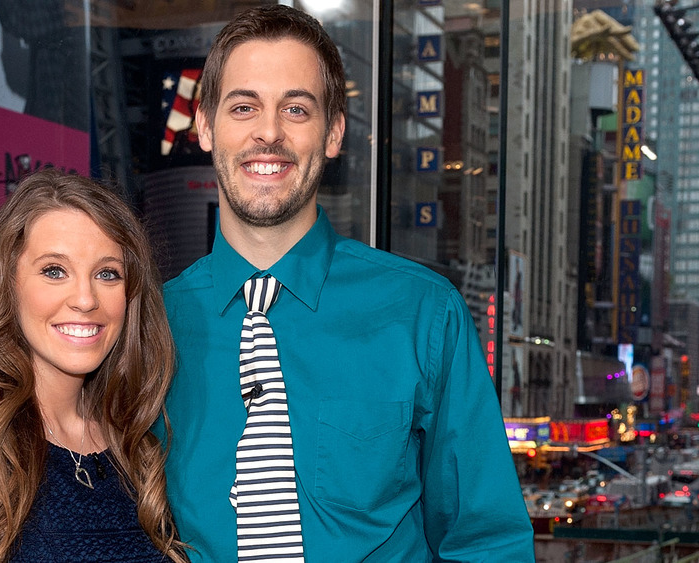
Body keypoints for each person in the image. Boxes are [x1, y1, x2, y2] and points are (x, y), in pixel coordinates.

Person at [160, 5, 535, 561]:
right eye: (244, 107)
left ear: (333, 133)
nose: (269, 132)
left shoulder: (424, 314)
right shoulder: (150, 326)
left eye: (296, 108)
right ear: (206, 127)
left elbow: (486, 542)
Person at [0, 169, 188, 562]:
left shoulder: (135, 445)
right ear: (8, 285)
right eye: (54, 271)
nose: (85, 298)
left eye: (107, 273)